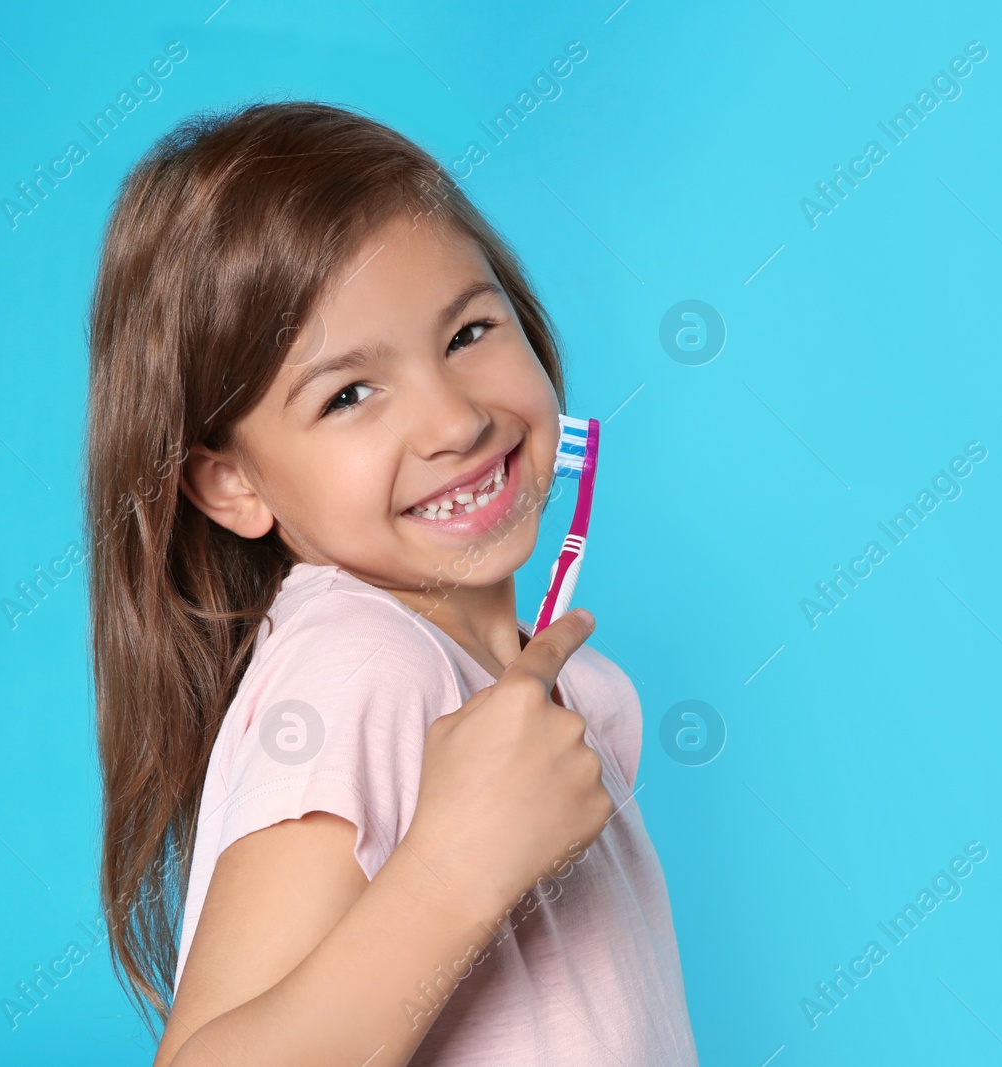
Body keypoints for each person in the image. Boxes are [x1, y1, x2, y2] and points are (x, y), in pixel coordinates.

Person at [84, 99, 698, 1066]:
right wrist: (458, 869)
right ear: (232, 481)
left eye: (467, 333)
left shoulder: (559, 703)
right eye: (349, 395)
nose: (452, 420)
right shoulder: (363, 664)